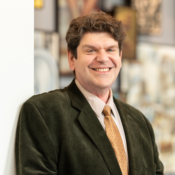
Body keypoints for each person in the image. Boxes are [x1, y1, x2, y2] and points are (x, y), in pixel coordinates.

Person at [15, 11, 164, 175]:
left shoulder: (140, 122)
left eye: (110, 49)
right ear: (72, 59)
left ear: (120, 57)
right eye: (91, 50)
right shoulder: (43, 112)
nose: (103, 58)